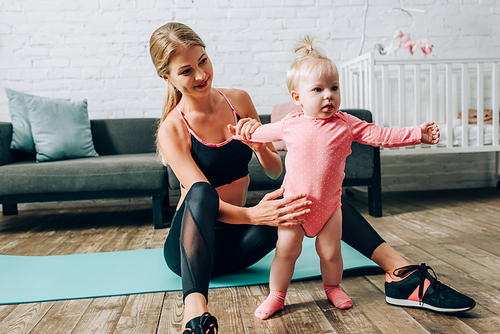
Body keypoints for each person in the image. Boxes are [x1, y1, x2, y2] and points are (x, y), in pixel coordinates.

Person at [149, 22, 475, 333]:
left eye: (203, 61)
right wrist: (254, 214)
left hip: (243, 240)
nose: (202, 74)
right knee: (202, 192)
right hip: (194, 246)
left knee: (318, 191)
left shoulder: (237, 100)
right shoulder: (172, 130)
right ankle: (195, 314)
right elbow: (199, 198)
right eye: (187, 70)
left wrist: (260, 149)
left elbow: (275, 169)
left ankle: (400, 274)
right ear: (166, 77)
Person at [229, 35, 442, 320]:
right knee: (286, 251)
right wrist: (243, 129)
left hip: (329, 207)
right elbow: (259, 133)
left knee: (330, 253)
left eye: (334, 87)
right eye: (318, 89)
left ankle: (333, 287)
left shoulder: (347, 124)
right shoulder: (290, 124)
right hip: (294, 206)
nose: (328, 95)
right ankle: (276, 295)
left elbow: (381, 135)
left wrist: (417, 134)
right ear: (298, 98)